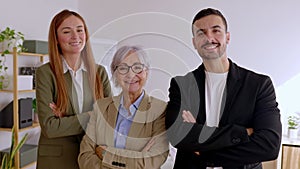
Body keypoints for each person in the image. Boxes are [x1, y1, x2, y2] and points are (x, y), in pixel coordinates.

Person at [165, 8, 282, 169]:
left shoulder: (259, 85)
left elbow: (269, 146)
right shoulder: (181, 85)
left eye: (216, 30)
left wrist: (203, 151)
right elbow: (177, 136)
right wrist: (241, 133)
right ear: (194, 42)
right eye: (201, 33)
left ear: (227, 37)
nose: (209, 38)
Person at [35, 9, 111, 169]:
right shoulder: (45, 73)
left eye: (79, 30)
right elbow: (50, 127)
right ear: (56, 38)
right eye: (66, 31)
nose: (75, 37)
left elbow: (109, 119)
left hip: (92, 156)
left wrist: (66, 118)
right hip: (57, 160)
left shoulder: (99, 73)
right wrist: (91, 116)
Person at [78, 45, 169, 169]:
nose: (131, 74)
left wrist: (106, 154)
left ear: (146, 72)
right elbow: (85, 156)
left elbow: (153, 160)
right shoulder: (101, 107)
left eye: (137, 68)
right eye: (123, 68)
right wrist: (135, 158)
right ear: (114, 73)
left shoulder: (159, 110)